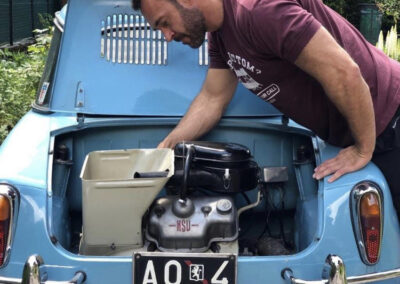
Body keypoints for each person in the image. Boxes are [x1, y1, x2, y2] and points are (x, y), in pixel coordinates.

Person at [132, 0, 400, 212]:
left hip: (389, 121)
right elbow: (213, 98)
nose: (166, 36)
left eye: (164, 23)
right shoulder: (221, 35)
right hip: (366, 130)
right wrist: (167, 147)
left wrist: (363, 149)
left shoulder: (260, 10)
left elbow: (345, 73)